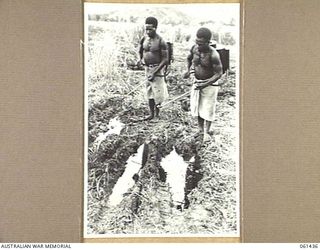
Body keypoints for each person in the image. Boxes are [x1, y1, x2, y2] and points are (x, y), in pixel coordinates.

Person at [183, 27, 223, 142]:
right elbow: (189, 58)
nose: (198, 46)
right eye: (197, 43)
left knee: (208, 108)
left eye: (201, 44)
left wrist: (205, 84)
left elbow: (218, 73)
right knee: (198, 106)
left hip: (210, 84)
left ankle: (207, 131)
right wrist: (187, 70)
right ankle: (200, 130)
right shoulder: (194, 48)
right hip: (197, 82)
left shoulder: (213, 54)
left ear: (208, 42)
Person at [137, 17, 169, 121]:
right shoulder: (144, 38)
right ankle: (151, 114)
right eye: (146, 29)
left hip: (157, 68)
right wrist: (140, 59)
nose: (147, 31)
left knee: (158, 92)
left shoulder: (161, 41)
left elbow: (165, 59)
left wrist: (154, 72)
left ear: (155, 28)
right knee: (149, 91)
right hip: (147, 68)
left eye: (150, 29)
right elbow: (140, 51)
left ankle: (157, 115)